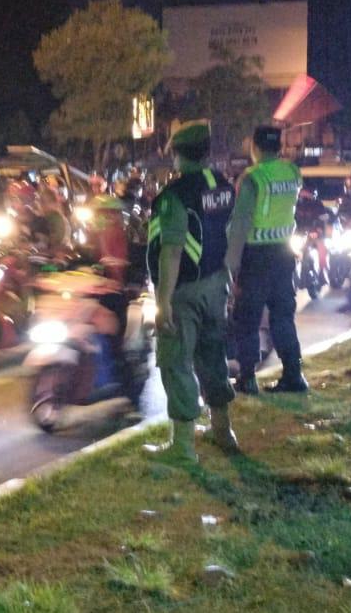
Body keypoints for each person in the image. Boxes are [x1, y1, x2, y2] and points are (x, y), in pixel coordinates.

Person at [147, 120, 239, 462]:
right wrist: (229, 279)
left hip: (184, 290)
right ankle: (222, 430)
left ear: (177, 154)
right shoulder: (223, 187)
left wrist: (163, 302)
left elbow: (171, 251)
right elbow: (230, 234)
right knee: (213, 355)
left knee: (176, 362)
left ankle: (183, 447)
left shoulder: (175, 196)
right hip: (217, 284)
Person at [226, 126, 307, 394]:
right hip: (284, 255)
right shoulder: (292, 172)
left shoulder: (253, 178)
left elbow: (240, 224)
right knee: (283, 316)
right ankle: (294, 375)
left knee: (247, 319)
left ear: (255, 147)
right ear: (279, 147)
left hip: (256, 257)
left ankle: (248, 379)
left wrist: (231, 264)